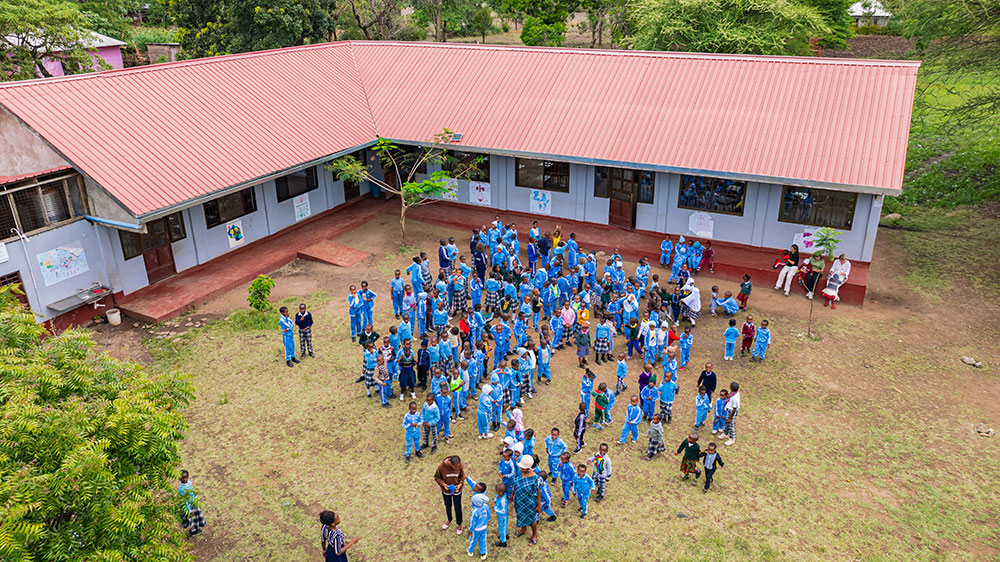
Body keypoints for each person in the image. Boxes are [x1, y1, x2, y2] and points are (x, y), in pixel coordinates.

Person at [512, 456, 541, 546]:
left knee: (532, 519)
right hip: (519, 500)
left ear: (528, 467)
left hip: (529, 503)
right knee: (520, 515)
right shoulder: (519, 472)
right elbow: (515, 484)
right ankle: (523, 529)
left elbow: (538, 492)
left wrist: (539, 505)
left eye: (522, 467)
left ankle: (534, 534)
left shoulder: (535, 478)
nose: (520, 468)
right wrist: (513, 494)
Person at [434, 455, 466, 534]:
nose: (456, 468)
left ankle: (459, 524)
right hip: (446, 491)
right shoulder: (442, 466)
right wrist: (443, 484)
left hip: (457, 491)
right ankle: (449, 519)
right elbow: (437, 477)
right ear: (450, 463)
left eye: (458, 466)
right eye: (455, 467)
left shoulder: (460, 465)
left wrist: (460, 485)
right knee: (448, 506)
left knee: (457, 507)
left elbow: (462, 477)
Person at [178, 470, 205, 536]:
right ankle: (192, 531)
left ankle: (197, 528)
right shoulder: (181, 489)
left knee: (196, 517)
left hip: (194, 503)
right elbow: (185, 501)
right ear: (180, 478)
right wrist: (189, 511)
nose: (185, 479)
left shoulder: (189, 482)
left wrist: (196, 500)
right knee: (191, 519)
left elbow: (193, 491)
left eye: (186, 477)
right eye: (183, 478)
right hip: (189, 506)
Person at [467, 488, 491, 559]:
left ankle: (470, 551)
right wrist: (486, 522)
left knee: (473, 539)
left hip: (476, 529)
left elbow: (472, 522)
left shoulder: (474, 511)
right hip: (484, 527)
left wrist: (470, 530)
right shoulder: (486, 506)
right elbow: (488, 515)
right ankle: (483, 553)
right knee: (483, 540)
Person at [722, 381, 741, 446]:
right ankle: (725, 433)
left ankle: (732, 438)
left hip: (732, 411)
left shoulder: (734, 398)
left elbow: (734, 408)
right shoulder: (734, 393)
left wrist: (730, 418)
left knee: (731, 424)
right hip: (728, 409)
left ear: (732, 388)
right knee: (726, 422)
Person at [493, 483, 509, 548]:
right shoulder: (500, 495)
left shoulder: (503, 501)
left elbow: (503, 511)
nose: (495, 492)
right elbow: (497, 498)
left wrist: (494, 508)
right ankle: (506, 535)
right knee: (503, 527)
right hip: (500, 516)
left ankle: (503, 542)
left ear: (500, 492)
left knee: (501, 528)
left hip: (503, 517)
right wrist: (495, 501)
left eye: (496, 491)